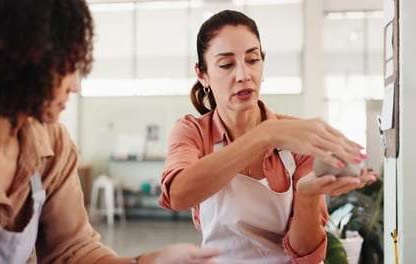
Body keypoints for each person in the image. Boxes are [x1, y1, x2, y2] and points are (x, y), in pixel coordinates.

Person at [0, 0, 221, 263]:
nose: (74, 85)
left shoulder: (51, 143)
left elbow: (72, 252)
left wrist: (144, 262)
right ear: (12, 62)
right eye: (64, 67)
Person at [158, 10, 378, 264]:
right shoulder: (194, 131)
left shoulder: (297, 138)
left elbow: (307, 254)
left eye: (252, 60)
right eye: (226, 64)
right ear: (202, 74)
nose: (243, 75)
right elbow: (178, 195)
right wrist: (266, 135)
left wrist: (307, 196)